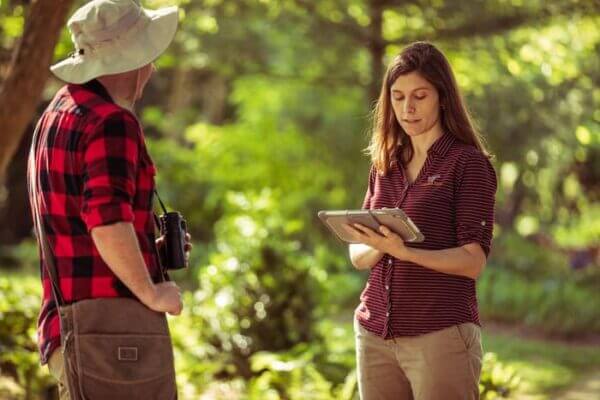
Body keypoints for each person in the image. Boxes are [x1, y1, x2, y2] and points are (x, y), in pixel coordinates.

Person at [27, 1, 188, 398]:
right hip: (112, 334)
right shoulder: (112, 123)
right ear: (131, 59)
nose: (151, 69)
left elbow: (80, 225)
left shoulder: (57, 113)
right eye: (148, 57)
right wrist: (153, 292)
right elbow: (106, 223)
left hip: (68, 324)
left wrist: (149, 249)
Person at [344, 41, 497, 400]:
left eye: (419, 96)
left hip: (439, 335)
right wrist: (379, 247)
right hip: (374, 332)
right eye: (397, 97)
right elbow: (356, 254)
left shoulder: (467, 164)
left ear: (442, 97)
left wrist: (404, 250)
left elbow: (473, 261)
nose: (407, 108)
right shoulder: (386, 162)